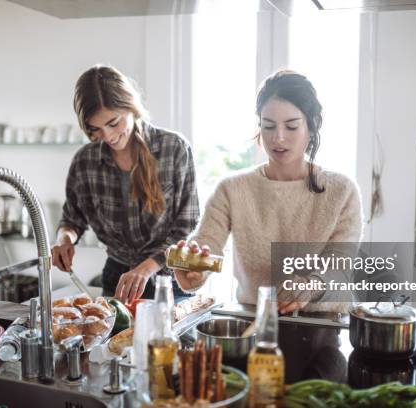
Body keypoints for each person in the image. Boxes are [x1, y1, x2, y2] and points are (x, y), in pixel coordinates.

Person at [172, 69, 363, 313]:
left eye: (292, 126)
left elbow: (340, 266)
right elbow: (206, 243)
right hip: (254, 323)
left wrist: (312, 285)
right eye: (269, 126)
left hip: (325, 324)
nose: (278, 138)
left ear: (312, 127)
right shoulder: (232, 189)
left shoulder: (342, 190)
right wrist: (193, 270)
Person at [52, 65, 199, 303]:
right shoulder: (85, 161)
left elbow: (187, 228)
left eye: (113, 122)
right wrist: (64, 239)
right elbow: (72, 219)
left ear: (131, 107)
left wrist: (146, 267)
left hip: (170, 280)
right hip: (117, 279)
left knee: (167, 342)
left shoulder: (174, 149)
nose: (108, 136)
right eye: (95, 129)